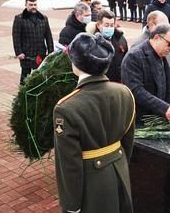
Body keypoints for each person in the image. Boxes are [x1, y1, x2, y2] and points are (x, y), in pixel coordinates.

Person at [54, 32, 135, 213]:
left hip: (92, 183)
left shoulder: (66, 108)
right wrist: (120, 163)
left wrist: (72, 204)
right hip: (119, 170)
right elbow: (128, 142)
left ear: (76, 64)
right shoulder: (124, 93)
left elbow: (69, 163)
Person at [121, 24, 170, 125]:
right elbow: (136, 90)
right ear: (156, 37)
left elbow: (168, 83)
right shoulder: (134, 56)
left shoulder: (161, 55)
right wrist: (163, 107)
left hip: (160, 118)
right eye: (169, 44)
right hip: (142, 120)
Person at [131, 11, 170, 100]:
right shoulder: (137, 47)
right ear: (153, 25)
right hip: (152, 102)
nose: (168, 28)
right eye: (164, 25)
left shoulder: (168, 41)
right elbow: (137, 87)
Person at [12, 0, 54, 85]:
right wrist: (18, 52)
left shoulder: (43, 18)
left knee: (40, 75)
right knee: (25, 76)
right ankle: (22, 95)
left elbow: (48, 36)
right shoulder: (19, 19)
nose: (33, 7)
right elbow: (16, 37)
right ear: (25, 5)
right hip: (26, 53)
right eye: (30, 5)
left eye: (35, 4)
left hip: (41, 52)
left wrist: (51, 51)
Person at [86, 10, 128, 83]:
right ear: (99, 25)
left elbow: (126, 59)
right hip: (102, 83)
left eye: (111, 25)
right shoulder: (92, 43)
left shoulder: (121, 39)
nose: (109, 28)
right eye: (106, 25)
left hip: (120, 82)